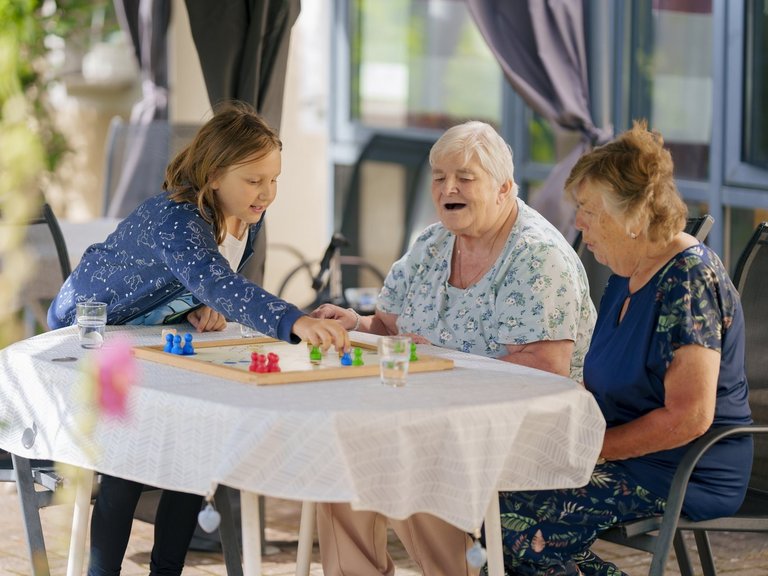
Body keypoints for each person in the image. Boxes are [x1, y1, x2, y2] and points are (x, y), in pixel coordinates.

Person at [48, 101, 350, 576]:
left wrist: (196, 305)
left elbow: (207, 281)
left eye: (274, 180)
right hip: (92, 329)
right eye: (254, 180)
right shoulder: (177, 218)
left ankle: (166, 570)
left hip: (152, 335)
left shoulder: (247, 215)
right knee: (127, 459)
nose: (267, 193)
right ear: (212, 176)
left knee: (192, 442)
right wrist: (294, 321)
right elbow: (216, 279)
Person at [310, 120, 596, 576]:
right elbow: (390, 325)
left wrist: (439, 362)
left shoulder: (537, 257)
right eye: (440, 177)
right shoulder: (432, 242)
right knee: (350, 450)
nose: (449, 188)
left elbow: (543, 371)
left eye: (465, 177)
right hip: (436, 418)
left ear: (504, 188)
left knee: (402, 457)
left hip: (519, 430)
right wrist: (358, 323)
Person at [495, 121, 753, 576]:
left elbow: (690, 416)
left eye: (589, 210)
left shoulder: (689, 281)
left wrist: (594, 449)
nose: (578, 224)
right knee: (490, 491)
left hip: (681, 467)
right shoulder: (626, 277)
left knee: (516, 522)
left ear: (634, 217)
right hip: (624, 454)